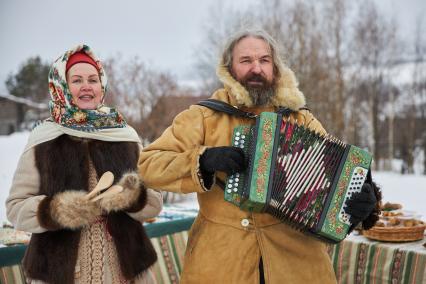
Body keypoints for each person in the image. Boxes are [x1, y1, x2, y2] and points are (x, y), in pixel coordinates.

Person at [137, 29, 381, 283]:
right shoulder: (203, 117)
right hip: (222, 263)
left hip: (297, 264)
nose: (257, 68)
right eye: (246, 61)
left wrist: (361, 203)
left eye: (264, 60)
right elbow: (148, 165)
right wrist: (203, 160)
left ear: (275, 68)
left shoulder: (300, 118)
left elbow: (335, 178)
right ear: (228, 69)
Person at [6, 45, 162, 284]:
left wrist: (130, 199)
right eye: (77, 80)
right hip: (59, 275)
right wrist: (58, 210)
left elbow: (155, 202)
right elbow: (16, 208)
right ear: (62, 88)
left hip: (125, 274)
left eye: (93, 79)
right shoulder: (43, 140)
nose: (86, 86)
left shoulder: (126, 136)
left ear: (102, 87)